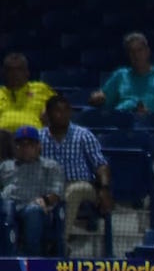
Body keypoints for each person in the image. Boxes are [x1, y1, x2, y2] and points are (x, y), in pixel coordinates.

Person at [40, 94, 113, 249]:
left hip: (82, 185)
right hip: (49, 187)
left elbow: (100, 164)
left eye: (66, 110)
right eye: (57, 111)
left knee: (73, 191)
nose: (62, 114)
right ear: (48, 114)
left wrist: (105, 189)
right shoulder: (39, 137)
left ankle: (60, 243)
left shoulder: (83, 135)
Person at [0, 125, 65, 256]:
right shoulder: (5, 166)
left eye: (29, 144)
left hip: (36, 209)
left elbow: (57, 191)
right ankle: (7, 258)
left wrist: (46, 200)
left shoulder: (50, 166)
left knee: (33, 211)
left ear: (38, 146)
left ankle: (31, 258)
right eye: (20, 145)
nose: (25, 148)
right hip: (9, 207)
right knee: (6, 208)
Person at [89, 32, 154, 115]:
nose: (136, 55)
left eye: (139, 50)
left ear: (147, 51)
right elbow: (101, 97)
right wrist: (96, 98)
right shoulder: (120, 75)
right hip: (123, 122)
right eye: (132, 52)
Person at [0, 53, 56, 132]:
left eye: (19, 69)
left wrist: (50, 110)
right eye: (10, 70)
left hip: (35, 138)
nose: (14, 74)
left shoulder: (41, 88)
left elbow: (59, 106)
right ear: (3, 73)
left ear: (27, 72)